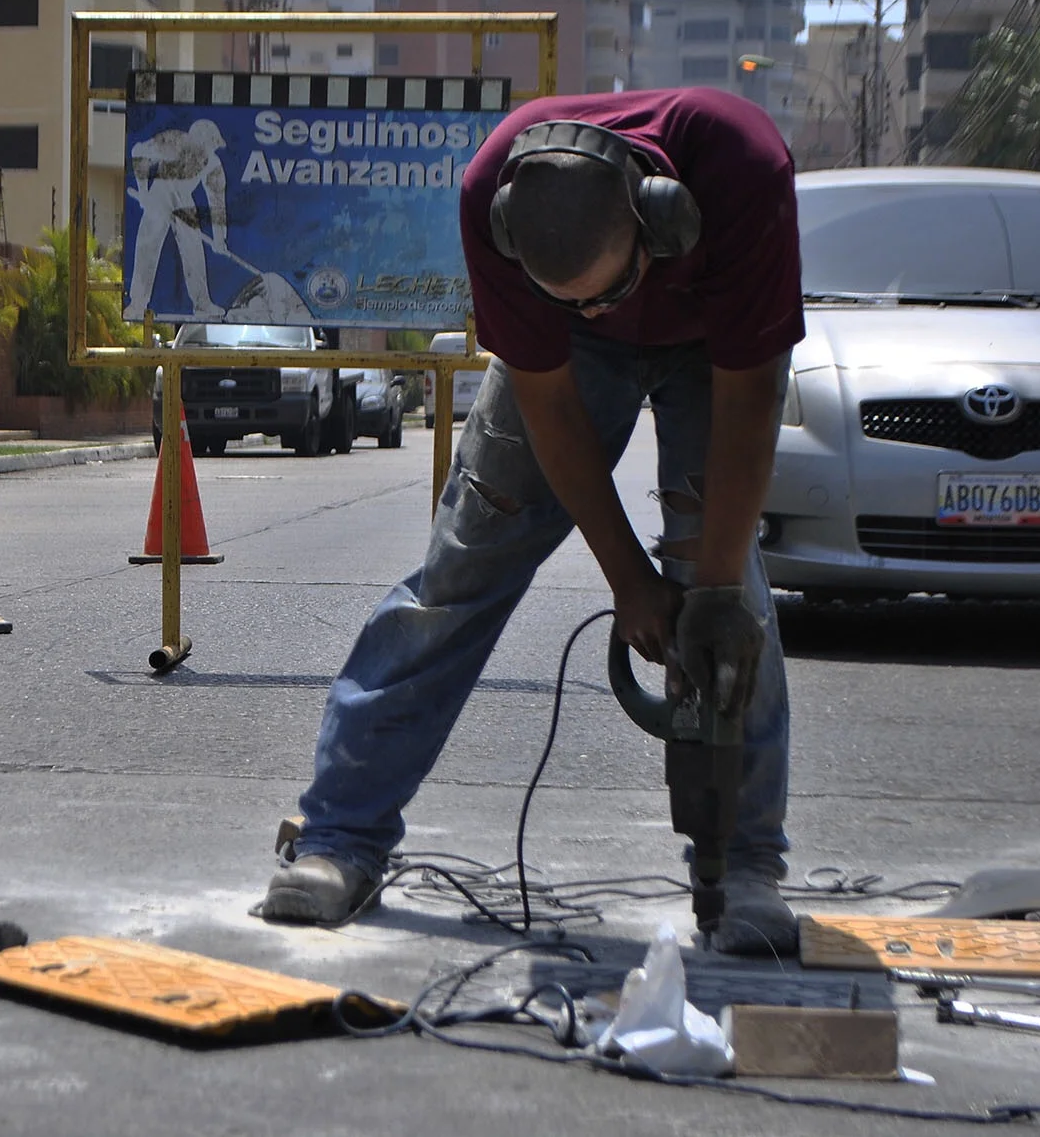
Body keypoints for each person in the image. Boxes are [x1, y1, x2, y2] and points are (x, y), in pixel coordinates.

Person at [260, 87, 805, 956]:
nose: (597, 312)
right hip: (568, 372)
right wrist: (628, 578)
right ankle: (340, 835)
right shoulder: (491, 198)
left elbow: (751, 396)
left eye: (610, 291)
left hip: (714, 348)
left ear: (658, 222)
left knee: (731, 603)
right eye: (573, 301)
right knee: (460, 571)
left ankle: (743, 867)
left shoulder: (741, 169)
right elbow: (548, 406)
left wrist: (711, 578)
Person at [125, 119, 233, 322]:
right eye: (208, 145)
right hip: (160, 193)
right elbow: (138, 153)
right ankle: (137, 304)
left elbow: (217, 205)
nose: (209, 152)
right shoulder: (173, 142)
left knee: (194, 251)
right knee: (147, 247)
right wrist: (143, 192)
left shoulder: (213, 165)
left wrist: (220, 240)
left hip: (184, 200)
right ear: (196, 140)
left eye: (212, 147)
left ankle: (203, 304)